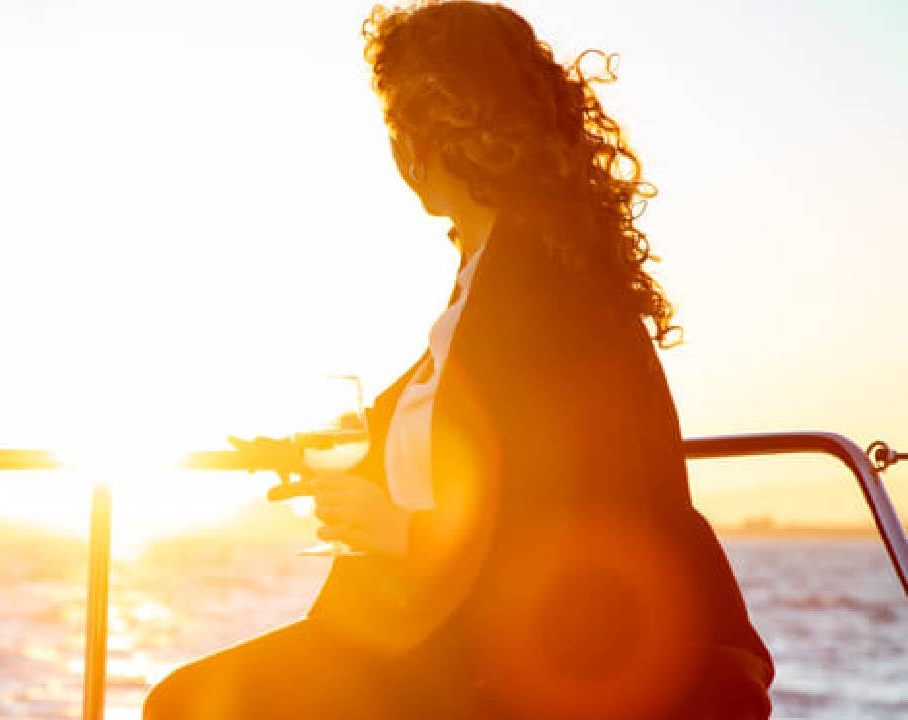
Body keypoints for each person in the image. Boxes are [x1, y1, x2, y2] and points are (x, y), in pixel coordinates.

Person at [144, 2, 773, 718]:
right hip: (454, 634)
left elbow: (577, 511)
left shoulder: (544, 286)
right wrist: (313, 451)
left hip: (554, 659)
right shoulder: (491, 271)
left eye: (393, 125)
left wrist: (397, 529)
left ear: (426, 137)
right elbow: (445, 419)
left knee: (191, 705)